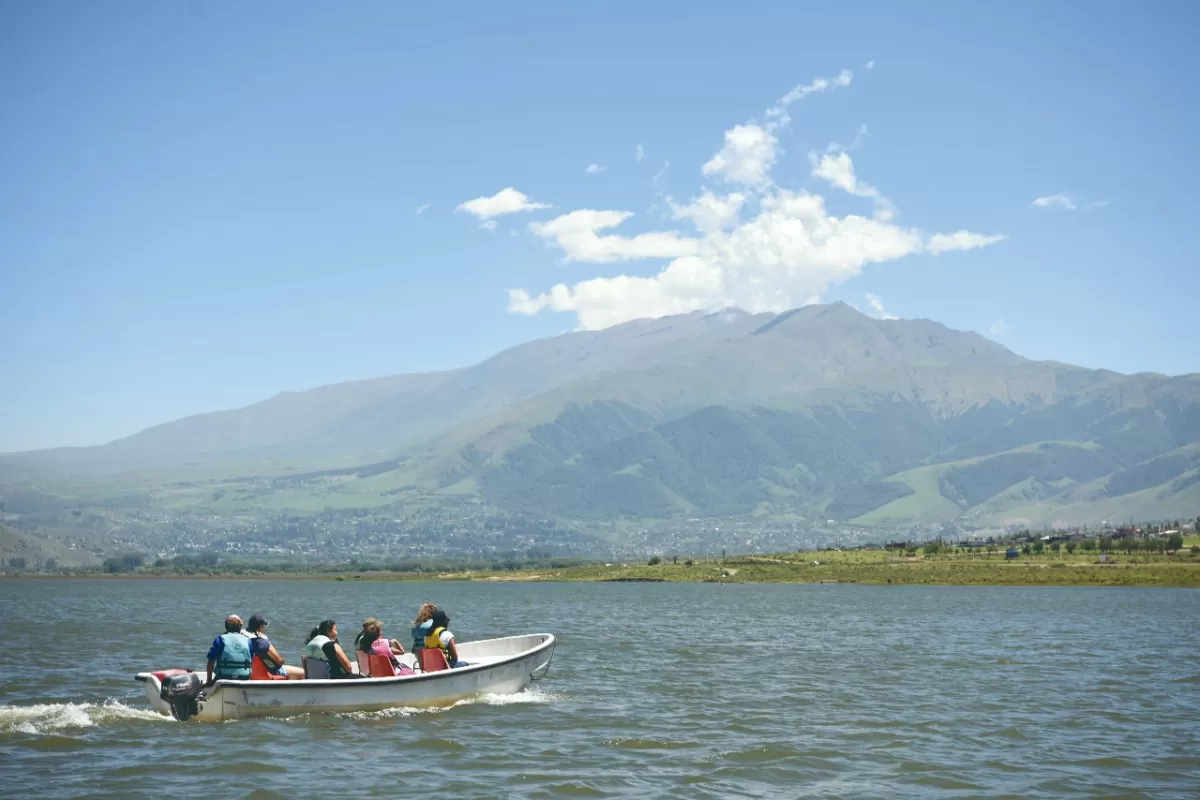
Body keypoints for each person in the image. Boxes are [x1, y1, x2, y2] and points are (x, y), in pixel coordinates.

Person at [246, 613, 304, 680]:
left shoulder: (244, 639)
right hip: (265, 673)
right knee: (302, 673)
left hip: (251, 672)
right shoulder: (262, 641)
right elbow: (280, 661)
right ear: (260, 627)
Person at [206, 614, 252, 684]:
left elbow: (211, 661)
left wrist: (209, 681)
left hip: (223, 677)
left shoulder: (220, 639)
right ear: (239, 627)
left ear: (225, 626)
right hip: (244, 678)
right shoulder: (248, 640)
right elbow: (251, 660)